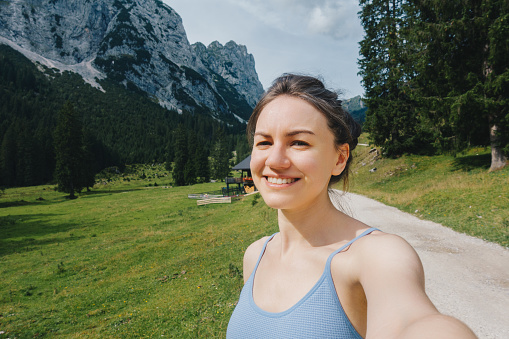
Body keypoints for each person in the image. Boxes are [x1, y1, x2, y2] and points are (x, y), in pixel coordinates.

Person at [226, 74, 477, 338]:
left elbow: (413, 322)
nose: (275, 160)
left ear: (340, 157)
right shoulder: (255, 255)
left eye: (299, 142)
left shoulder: (377, 255)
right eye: (264, 142)